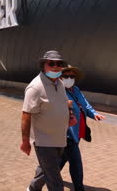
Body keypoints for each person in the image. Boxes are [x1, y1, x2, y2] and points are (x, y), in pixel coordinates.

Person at [38, 65, 106, 191]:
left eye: (72, 76)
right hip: (66, 134)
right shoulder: (57, 92)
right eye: (66, 76)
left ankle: (37, 182)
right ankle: (79, 188)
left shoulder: (76, 90)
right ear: (60, 77)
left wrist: (94, 113)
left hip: (76, 133)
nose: (69, 78)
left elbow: (84, 104)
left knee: (58, 163)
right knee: (76, 164)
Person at [21, 50, 77, 191]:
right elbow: (26, 115)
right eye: (51, 63)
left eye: (59, 64)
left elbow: (66, 103)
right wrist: (25, 141)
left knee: (46, 168)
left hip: (60, 137)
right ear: (43, 66)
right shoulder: (35, 87)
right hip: (44, 141)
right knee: (55, 181)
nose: (55, 67)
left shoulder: (59, 83)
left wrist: (70, 115)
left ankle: (32, 189)